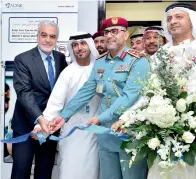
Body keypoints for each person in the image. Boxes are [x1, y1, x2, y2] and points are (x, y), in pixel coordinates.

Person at [40, 17, 150, 179]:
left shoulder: (138, 61)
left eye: (115, 31)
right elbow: (86, 91)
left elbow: (129, 97)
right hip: (105, 134)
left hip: (128, 132)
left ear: (125, 35)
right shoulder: (100, 62)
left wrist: (99, 118)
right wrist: (63, 117)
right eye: (107, 32)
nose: (110, 36)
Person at [33, 32, 100, 179]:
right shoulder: (67, 73)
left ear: (89, 45)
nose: (79, 48)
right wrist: (41, 126)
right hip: (70, 132)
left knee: (92, 171)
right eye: (75, 45)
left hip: (94, 132)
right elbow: (55, 103)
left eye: (83, 43)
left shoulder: (100, 70)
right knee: (70, 171)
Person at [11, 20, 67, 179]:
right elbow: (24, 92)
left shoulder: (60, 58)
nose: (48, 40)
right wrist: (40, 119)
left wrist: (49, 122)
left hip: (50, 127)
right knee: (20, 171)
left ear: (57, 39)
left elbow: (61, 91)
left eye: (52, 36)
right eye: (44, 35)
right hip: (26, 126)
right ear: (37, 36)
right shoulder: (23, 59)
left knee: (44, 172)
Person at [146, 3, 196, 179]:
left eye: (179, 17)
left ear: (192, 22)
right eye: (169, 19)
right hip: (160, 130)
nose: (173, 21)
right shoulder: (158, 56)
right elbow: (147, 92)